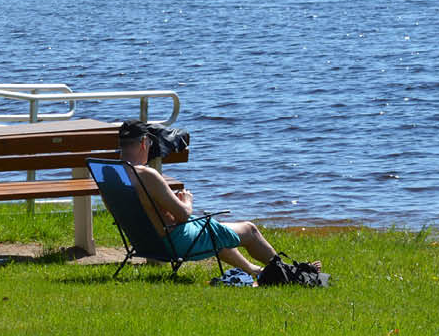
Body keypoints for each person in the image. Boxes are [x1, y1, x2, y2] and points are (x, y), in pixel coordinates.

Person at [116, 120, 316, 283]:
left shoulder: (112, 172)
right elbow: (184, 215)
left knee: (217, 233)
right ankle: (285, 273)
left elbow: (144, 210)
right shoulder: (147, 175)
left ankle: (256, 271)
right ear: (144, 143)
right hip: (173, 244)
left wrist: (166, 208)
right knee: (249, 230)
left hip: (142, 242)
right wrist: (187, 201)